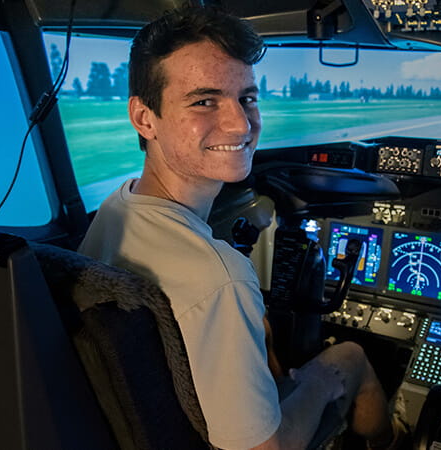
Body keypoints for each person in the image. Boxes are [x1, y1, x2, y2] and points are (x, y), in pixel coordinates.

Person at [78, 5, 405, 450]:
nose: (241, 123)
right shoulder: (218, 277)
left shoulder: (118, 206)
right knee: (349, 357)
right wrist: (322, 385)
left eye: (247, 97)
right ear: (143, 118)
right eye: (204, 101)